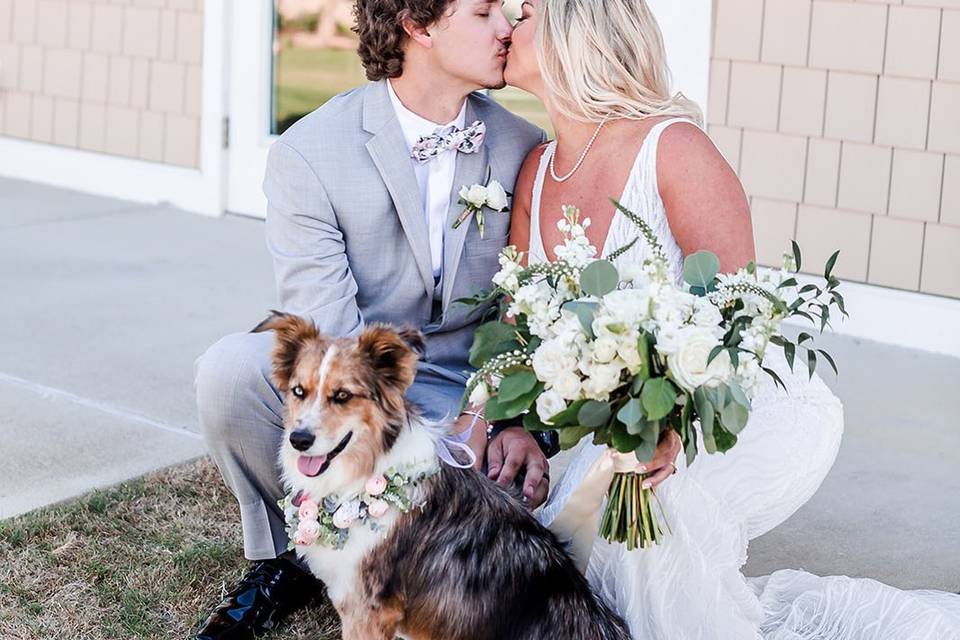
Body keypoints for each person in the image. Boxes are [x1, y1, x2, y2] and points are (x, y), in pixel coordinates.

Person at [501, 0, 960, 637]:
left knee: (645, 519)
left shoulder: (672, 147)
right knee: (584, 526)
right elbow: (521, 328)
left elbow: (737, 313)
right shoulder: (536, 174)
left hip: (739, 406)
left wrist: (672, 424)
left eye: (523, 12)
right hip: (631, 425)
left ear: (571, 34)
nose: (505, 21)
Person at [192, 1, 557, 637]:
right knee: (228, 370)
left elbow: (525, 311)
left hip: (474, 386)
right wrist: (416, 441)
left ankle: (397, 536)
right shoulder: (309, 153)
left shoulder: (523, 146)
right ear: (419, 25)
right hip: (367, 387)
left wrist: (497, 417)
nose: (509, 27)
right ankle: (292, 554)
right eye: (483, 12)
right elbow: (329, 332)